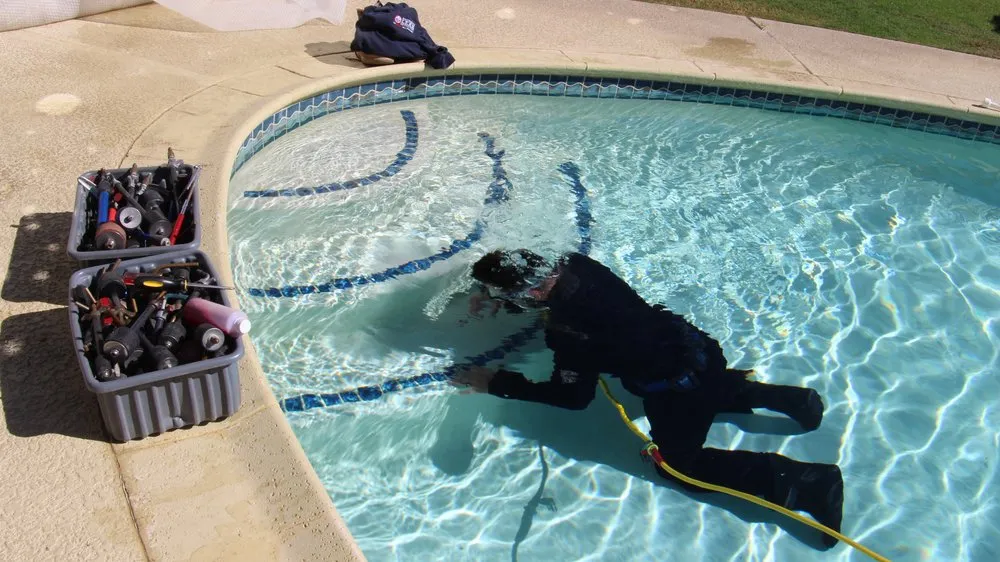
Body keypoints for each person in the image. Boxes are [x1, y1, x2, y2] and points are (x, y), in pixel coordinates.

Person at [452, 249, 844, 548]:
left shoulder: (569, 333)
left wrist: (496, 382)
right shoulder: (574, 262)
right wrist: (493, 294)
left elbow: (572, 397)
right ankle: (795, 401)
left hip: (673, 386)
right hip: (696, 346)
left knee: (679, 467)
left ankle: (808, 482)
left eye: (508, 297)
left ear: (532, 291)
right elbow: (523, 274)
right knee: (703, 382)